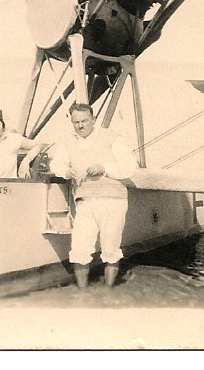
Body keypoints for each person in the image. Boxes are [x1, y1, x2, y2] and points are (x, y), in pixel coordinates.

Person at [51, 103, 137, 288]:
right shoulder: (66, 141)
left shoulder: (112, 138)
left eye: (84, 121)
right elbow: (56, 165)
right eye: (76, 122)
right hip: (85, 201)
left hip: (112, 199)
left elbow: (130, 166)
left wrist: (104, 167)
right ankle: (83, 295)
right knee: (79, 249)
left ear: (93, 120)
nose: (80, 125)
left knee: (110, 249)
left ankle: (107, 293)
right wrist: (66, 171)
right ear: (72, 122)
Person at [0, 106, 46, 179]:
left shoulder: (13, 139)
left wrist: (26, 161)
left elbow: (38, 144)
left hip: (11, 187)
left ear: (2, 125)